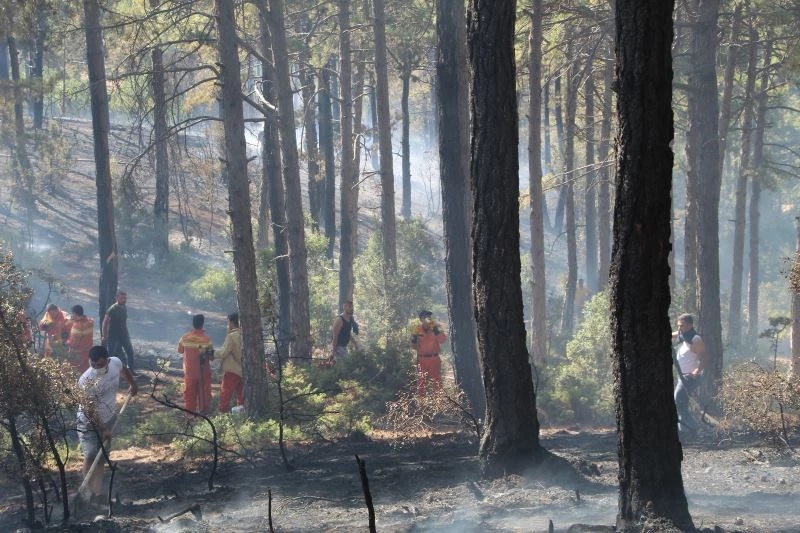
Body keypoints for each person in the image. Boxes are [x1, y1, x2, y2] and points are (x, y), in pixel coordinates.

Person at [76, 345, 137, 504]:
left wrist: (132, 384)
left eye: (100, 364)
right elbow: (89, 410)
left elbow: (124, 370)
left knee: (101, 457)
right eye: (93, 364)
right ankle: (87, 494)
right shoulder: (86, 380)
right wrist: (103, 429)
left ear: (107, 361)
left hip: (108, 418)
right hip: (88, 422)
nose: (97, 368)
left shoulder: (115, 362)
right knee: (91, 455)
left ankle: (97, 494)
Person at [672, 313, 705, 436]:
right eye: (678, 326)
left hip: (690, 377)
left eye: (682, 326)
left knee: (678, 401)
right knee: (681, 403)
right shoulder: (683, 335)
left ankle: (693, 428)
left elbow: (704, 358)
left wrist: (697, 370)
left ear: (690, 325)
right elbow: (673, 334)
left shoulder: (696, 339)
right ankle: (685, 430)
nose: (679, 328)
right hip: (683, 376)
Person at [178, 314, 214, 414]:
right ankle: (204, 415)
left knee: (189, 394)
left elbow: (180, 350)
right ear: (202, 324)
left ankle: (190, 415)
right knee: (204, 395)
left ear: (193, 324)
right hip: (203, 373)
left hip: (189, 373)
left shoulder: (184, 338)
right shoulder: (207, 340)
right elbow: (211, 357)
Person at [411, 310, 448, 397]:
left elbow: (442, 340)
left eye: (429, 317)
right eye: (424, 317)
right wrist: (414, 340)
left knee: (437, 382)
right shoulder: (417, 329)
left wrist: (435, 330)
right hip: (422, 359)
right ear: (421, 320)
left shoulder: (436, 327)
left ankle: (440, 402)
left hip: (434, 359)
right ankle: (422, 403)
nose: (427, 319)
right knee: (421, 383)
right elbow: (413, 347)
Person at [102, 291, 136, 372]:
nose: (124, 300)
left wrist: (126, 332)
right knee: (111, 354)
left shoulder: (124, 308)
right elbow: (105, 323)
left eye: (125, 298)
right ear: (117, 298)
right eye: (122, 298)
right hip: (113, 336)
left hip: (124, 335)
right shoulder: (112, 309)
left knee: (130, 351)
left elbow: (124, 322)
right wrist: (104, 336)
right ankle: (106, 371)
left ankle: (130, 370)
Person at [217, 313, 243, 413]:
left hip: (232, 371)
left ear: (231, 323)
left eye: (228, 322)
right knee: (242, 397)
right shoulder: (244, 335)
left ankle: (222, 415)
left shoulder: (232, 336)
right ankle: (241, 415)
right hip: (244, 372)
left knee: (225, 395)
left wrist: (212, 353)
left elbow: (223, 353)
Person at [65, 305, 94, 373]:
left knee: (74, 371)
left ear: (75, 314)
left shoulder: (77, 326)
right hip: (88, 350)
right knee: (86, 371)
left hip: (78, 353)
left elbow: (73, 343)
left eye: (72, 314)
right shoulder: (90, 321)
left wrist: (66, 342)